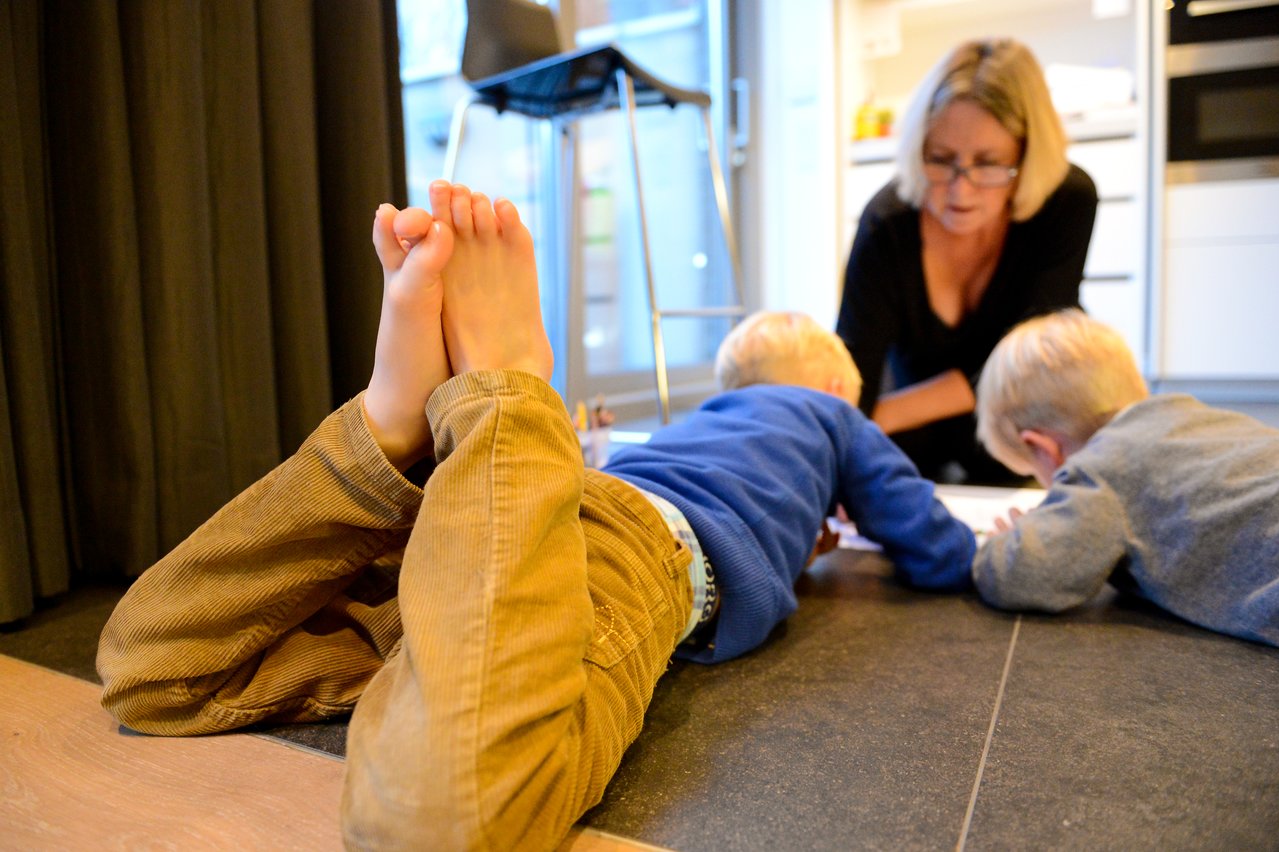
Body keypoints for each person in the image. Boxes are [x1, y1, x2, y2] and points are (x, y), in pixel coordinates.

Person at [96, 181, 976, 849]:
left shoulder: (698, 425)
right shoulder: (826, 413)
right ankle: (511, 391)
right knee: (441, 816)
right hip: (639, 550)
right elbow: (916, 523)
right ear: (831, 390)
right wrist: (975, 557)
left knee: (154, 669)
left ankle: (389, 427)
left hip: (520, 517)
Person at [836, 37, 1099, 484]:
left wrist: (884, 414)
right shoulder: (887, 223)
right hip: (909, 423)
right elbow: (851, 371)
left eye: (989, 163)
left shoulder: (1067, 200)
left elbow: (1029, 361)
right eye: (941, 160)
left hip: (1016, 410)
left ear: (1026, 157)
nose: (960, 189)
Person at [970, 309, 1279, 648]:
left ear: (1044, 449)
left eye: (1036, 475)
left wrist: (1007, 544)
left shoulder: (1103, 468)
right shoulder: (1191, 415)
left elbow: (1026, 575)